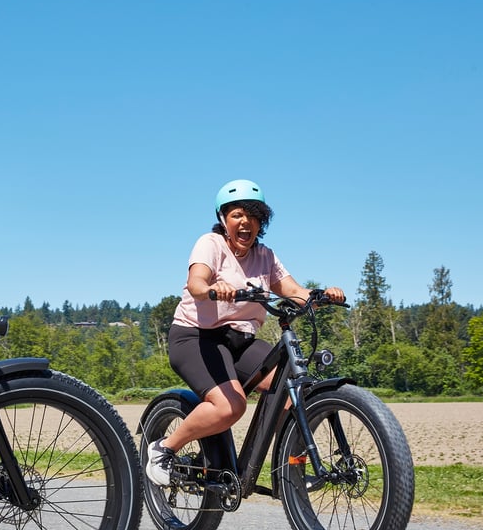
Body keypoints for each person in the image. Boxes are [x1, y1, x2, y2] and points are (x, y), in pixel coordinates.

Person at [146, 179, 345, 486]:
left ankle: (290, 468)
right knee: (230, 406)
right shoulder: (210, 245)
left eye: (253, 216)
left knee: (293, 392)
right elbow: (196, 282)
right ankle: (164, 450)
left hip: (240, 341)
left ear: (261, 223)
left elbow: (292, 290)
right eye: (237, 214)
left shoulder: (265, 256)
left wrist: (320, 296)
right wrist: (213, 289)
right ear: (223, 218)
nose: (245, 222)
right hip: (196, 338)